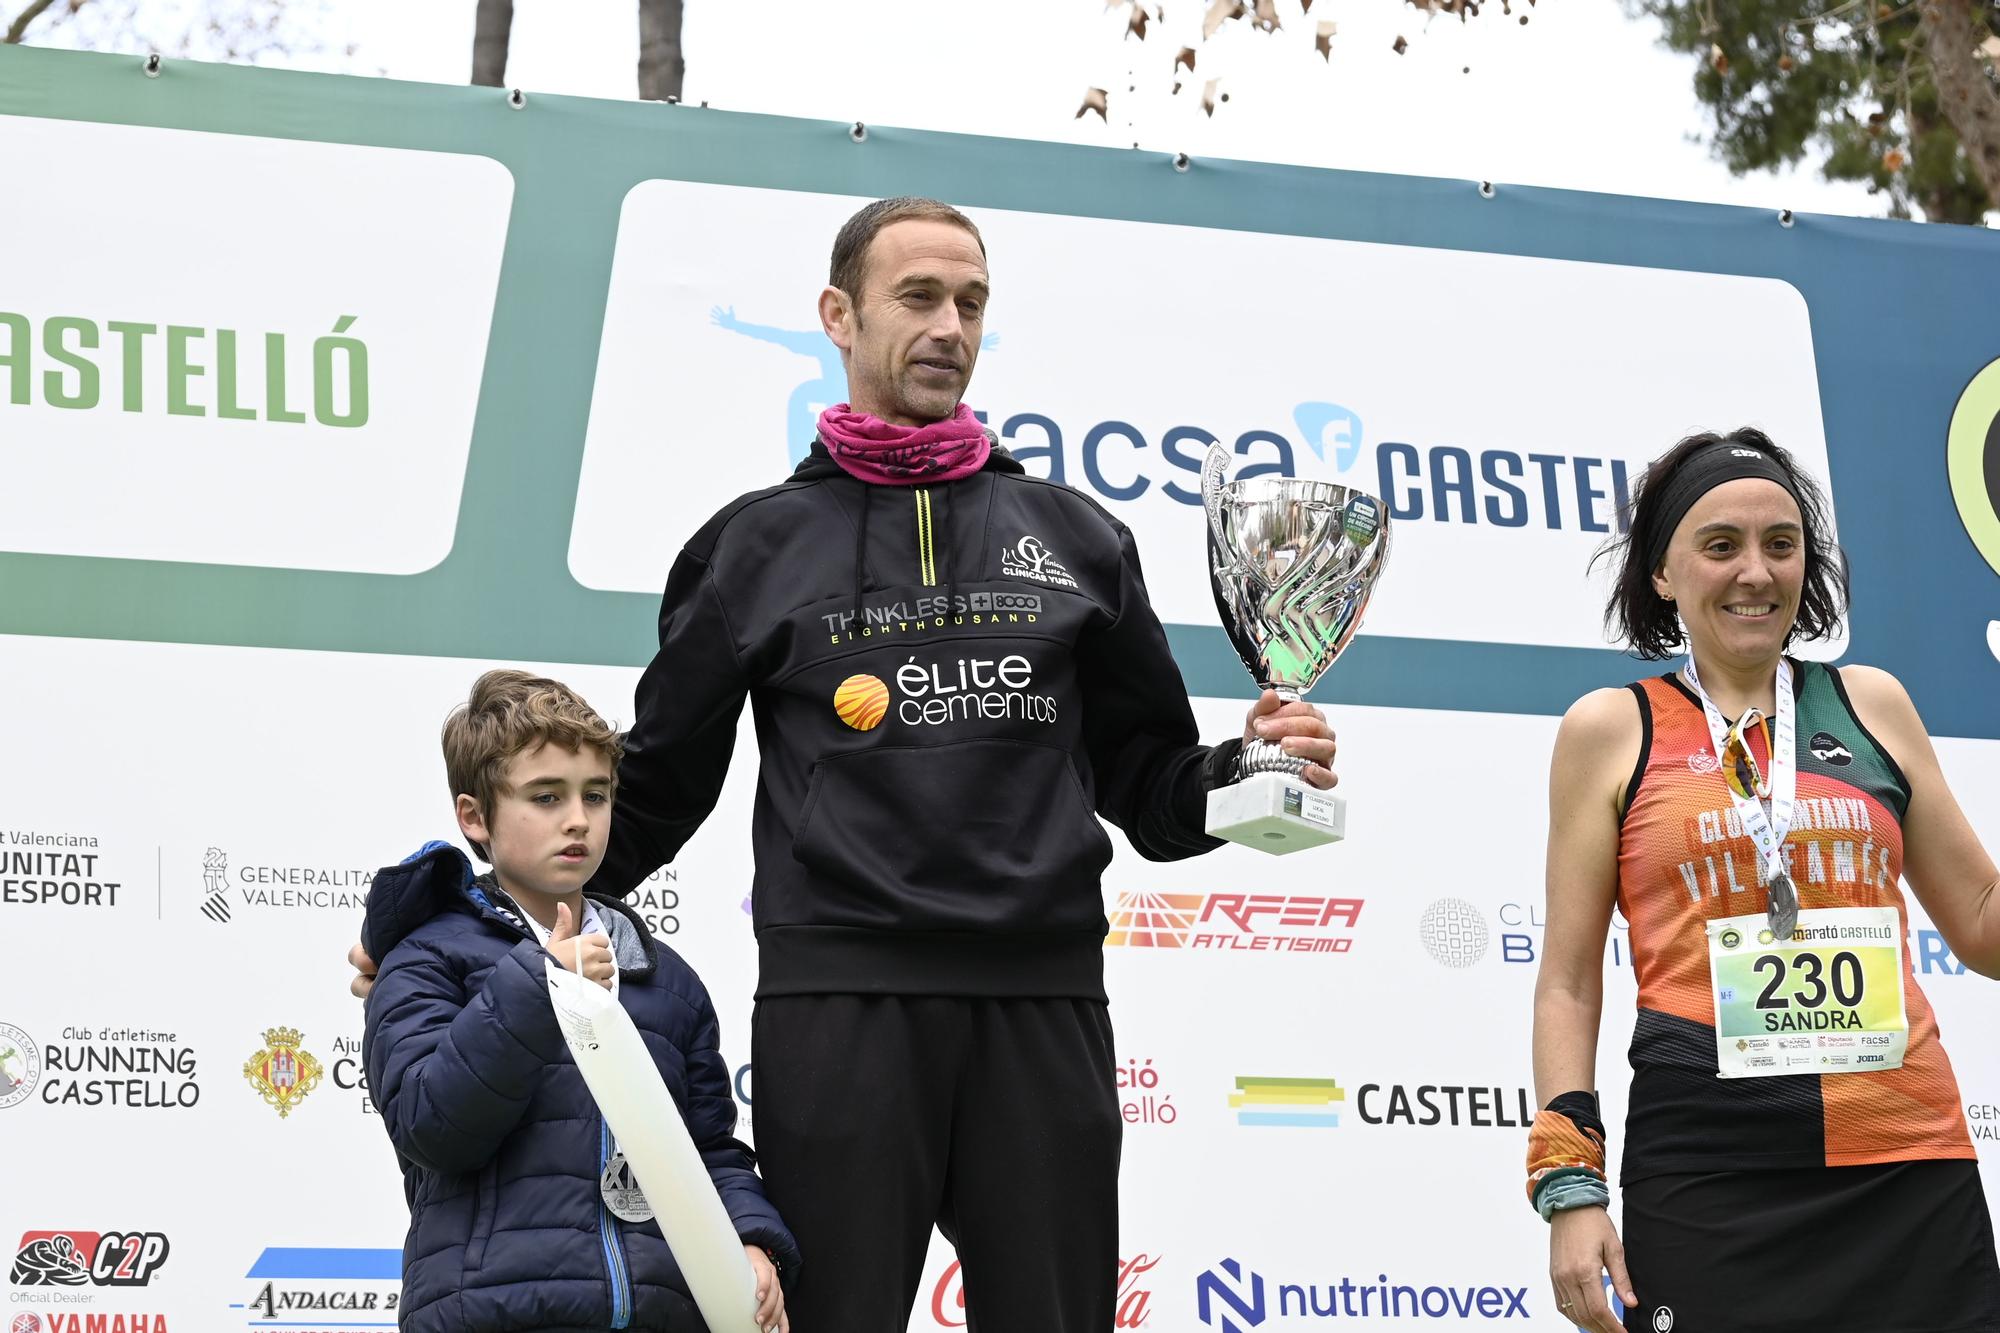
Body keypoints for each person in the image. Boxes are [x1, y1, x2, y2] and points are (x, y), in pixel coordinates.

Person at [353, 196, 1338, 1331]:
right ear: (838, 314)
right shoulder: (750, 548)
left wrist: (1253, 767)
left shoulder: (1076, 536)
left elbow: (1149, 789)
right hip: (838, 1011)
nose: (948, 327)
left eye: (969, 303)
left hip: (1041, 1005)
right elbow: (645, 800)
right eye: (917, 297)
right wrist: (432, 914)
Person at [1529, 428, 2000, 1333]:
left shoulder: (1872, 703)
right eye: (1721, 546)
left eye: (1782, 544)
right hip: (1711, 1170)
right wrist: (1568, 1186)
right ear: (1663, 574)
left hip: (1904, 1158)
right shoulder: (1612, 729)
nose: (1756, 571)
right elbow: (1568, 979)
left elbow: (1982, 924)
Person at [361, 670, 798, 1333]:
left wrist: (751, 1241)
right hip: (490, 1315)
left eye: (595, 794)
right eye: (545, 795)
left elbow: (709, 1149)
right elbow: (433, 1126)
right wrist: (539, 983)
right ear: (474, 815)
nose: (577, 818)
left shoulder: (666, 979)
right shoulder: (426, 957)